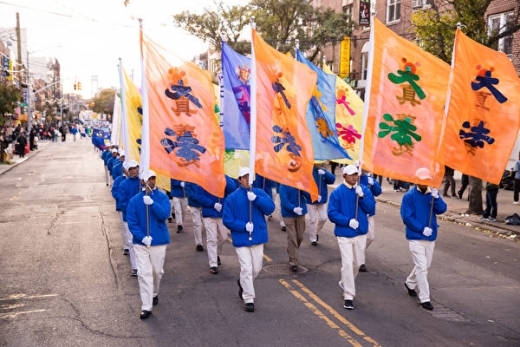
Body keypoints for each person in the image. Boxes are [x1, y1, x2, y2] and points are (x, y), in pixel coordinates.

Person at [222, 167, 275, 313]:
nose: (247, 180)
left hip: (258, 236)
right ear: (239, 180)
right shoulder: (232, 198)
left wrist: (256, 199)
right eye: (244, 177)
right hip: (241, 238)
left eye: (248, 177)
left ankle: (243, 282)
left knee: (256, 268)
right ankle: (249, 298)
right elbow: (227, 219)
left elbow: (270, 208)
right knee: (246, 268)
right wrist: (243, 226)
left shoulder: (259, 193)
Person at [327, 164, 375, 310]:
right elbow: (332, 213)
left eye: (356, 174)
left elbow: (371, 209)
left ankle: (345, 281)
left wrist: (363, 197)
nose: (355, 177)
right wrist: (347, 221)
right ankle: (349, 295)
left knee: (357, 263)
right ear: (344, 176)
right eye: (351, 174)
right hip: (344, 234)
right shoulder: (337, 193)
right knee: (347, 263)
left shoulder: (363, 190)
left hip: (360, 233)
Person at [126, 170, 171, 319]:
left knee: (156, 272)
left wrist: (152, 204)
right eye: (148, 179)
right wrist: (142, 237)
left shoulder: (162, 197)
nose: (152, 181)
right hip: (141, 243)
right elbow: (131, 223)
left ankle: (154, 292)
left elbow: (164, 215)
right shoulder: (134, 201)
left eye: (153, 179)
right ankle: (146, 306)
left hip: (158, 241)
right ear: (142, 181)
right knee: (144, 273)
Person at [401, 168, 447, 311]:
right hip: (415, 237)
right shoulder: (408, 196)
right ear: (416, 180)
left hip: (430, 236)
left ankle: (410, 283)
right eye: (421, 180)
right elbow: (407, 217)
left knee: (425, 266)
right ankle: (425, 298)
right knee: (422, 267)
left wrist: (437, 198)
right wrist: (421, 228)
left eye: (426, 180)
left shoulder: (432, 194)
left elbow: (442, 209)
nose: (424, 183)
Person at [194, 175, 237, 274]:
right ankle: (213, 264)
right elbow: (199, 196)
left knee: (223, 237)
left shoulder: (223, 177)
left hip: (222, 213)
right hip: (209, 213)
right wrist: (212, 204)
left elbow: (232, 189)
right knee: (212, 239)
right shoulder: (203, 178)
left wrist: (223, 177)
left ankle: (216, 253)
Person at [355, 162, 382, 272]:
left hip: (369, 211)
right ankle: (361, 262)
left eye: (361, 168)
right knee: (360, 236)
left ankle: (357, 251)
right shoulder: (352, 178)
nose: (360, 169)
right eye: (358, 167)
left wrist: (374, 183)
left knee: (370, 237)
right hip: (357, 212)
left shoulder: (369, 179)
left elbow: (378, 192)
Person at [117, 160, 141, 276]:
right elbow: (123, 202)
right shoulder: (123, 184)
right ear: (127, 170)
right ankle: (135, 266)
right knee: (132, 242)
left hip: (143, 217)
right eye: (131, 169)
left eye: (135, 168)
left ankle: (143, 264)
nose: (134, 171)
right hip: (130, 218)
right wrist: (134, 211)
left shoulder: (142, 182)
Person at [279, 184, 308, 272]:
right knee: (292, 237)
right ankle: (293, 262)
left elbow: (308, 195)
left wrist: (303, 188)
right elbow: (284, 201)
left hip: (300, 213)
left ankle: (291, 249)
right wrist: (293, 208)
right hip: (288, 214)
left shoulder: (300, 182)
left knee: (300, 236)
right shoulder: (283, 186)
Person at [307, 164, 335, 246]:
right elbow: (304, 187)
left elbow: (332, 180)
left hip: (322, 200)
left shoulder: (323, 171)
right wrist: (312, 196)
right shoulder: (309, 171)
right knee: (312, 220)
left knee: (323, 218)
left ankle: (315, 232)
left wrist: (325, 173)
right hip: (311, 200)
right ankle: (313, 239)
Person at [184, 182, 205, 252]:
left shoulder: (203, 176)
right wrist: (199, 197)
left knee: (206, 225)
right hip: (194, 204)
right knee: (197, 224)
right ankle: (199, 243)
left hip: (204, 204)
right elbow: (189, 192)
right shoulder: (188, 179)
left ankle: (203, 238)